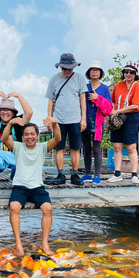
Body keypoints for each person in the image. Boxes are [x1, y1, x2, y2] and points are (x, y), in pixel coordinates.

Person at [1, 116, 61, 256]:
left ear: (37, 135)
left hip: (37, 187)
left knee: (48, 208)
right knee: (14, 207)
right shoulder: (18, 147)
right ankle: (18, 244)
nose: (29, 137)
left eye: (32, 134)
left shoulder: (42, 147)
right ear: (22, 136)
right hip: (20, 186)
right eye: (26, 134)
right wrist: (10, 123)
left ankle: (44, 243)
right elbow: (4, 139)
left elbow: (57, 139)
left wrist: (56, 123)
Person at [45, 53, 87, 185]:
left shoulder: (79, 78)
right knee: (59, 148)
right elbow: (51, 100)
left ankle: (75, 174)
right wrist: (50, 118)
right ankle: (60, 174)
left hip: (75, 118)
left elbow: (82, 99)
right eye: (65, 68)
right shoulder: (53, 79)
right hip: (58, 120)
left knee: (76, 148)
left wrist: (83, 119)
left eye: (70, 68)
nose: (68, 71)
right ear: (60, 67)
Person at [0, 91, 33, 189]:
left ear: (13, 113)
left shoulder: (18, 121)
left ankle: (14, 178)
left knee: (21, 160)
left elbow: (29, 112)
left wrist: (19, 96)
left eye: (9, 110)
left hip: (14, 155)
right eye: (2, 109)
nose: (5, 112)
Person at [109, 61, 139, 184]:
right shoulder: (118, 85)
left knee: (131, 146)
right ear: (123, 73)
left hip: (131, 117)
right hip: (118, 117)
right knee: (117, 146)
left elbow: (135, 105)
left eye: (131, 72)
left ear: (135, 74)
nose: (128, 74)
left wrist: (118, 110)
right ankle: (117, 173)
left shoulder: (136, 86)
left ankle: (134, 174)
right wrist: (113, 111)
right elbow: (112, 101)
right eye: (126, 72)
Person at [80, 61, 113, 185]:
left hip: (98, 123)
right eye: (92, 69)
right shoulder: (85, 87)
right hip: (85, 121)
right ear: (89, 73)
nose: (94, 72)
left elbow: (109, 108)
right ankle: (88, 174)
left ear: (100, 73)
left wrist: (97, 98)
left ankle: (97, 175)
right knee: (86, 149)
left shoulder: (104, 88)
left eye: (97, 70)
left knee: (97, 149)